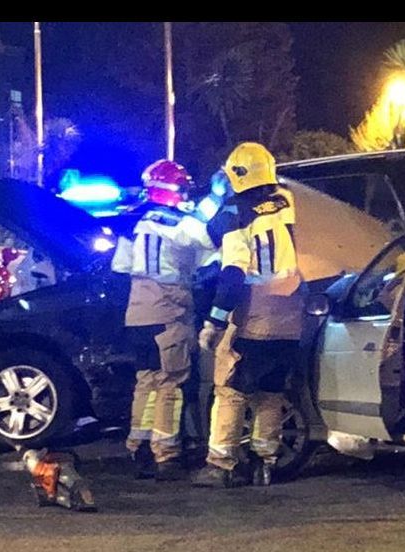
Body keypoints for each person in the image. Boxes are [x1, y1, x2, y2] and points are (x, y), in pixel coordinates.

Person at [194, 142, 305, 489]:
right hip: (290, 317)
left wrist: (213, 321)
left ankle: (221, 463)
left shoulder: (234, 213)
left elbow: (232, 276)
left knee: (230, 390)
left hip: (253, 317)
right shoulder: (288, 202)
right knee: (270, 394)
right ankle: (264, 463)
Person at [112, 159, 215, 482]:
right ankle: (166, 454)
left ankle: (138, 446)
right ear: (174, 190)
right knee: (171, 384)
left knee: (146, 383)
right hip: (169, 311)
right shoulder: (180, 223)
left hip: (138, 314)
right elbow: (211, 245)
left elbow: (120, 267)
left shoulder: (132, 222)